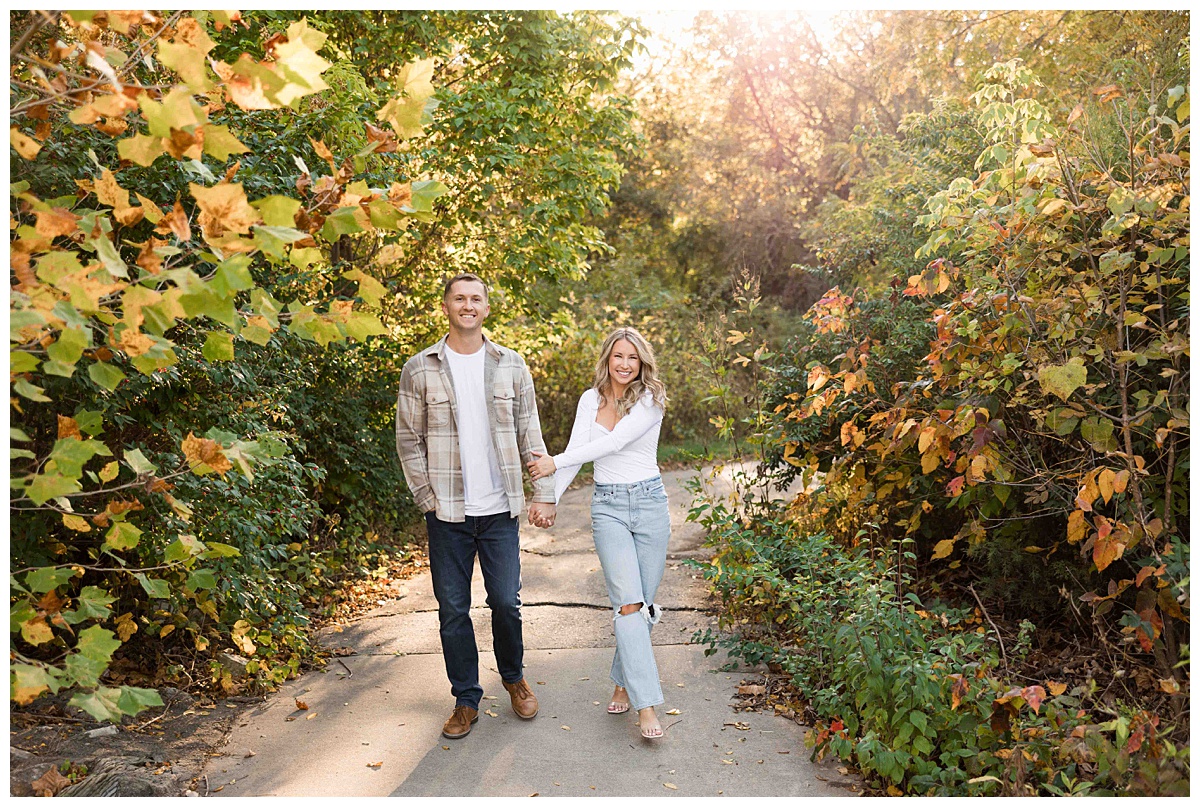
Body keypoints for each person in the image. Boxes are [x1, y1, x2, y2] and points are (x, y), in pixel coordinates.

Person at [395, 273, 557, 740]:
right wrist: (426, 498)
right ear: (445, 305)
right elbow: (408, 440)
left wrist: (542, 493)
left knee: (506, 602)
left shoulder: (511, 364)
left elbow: (531, 432)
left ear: (487, 307)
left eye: (476, 299)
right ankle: (465, 698)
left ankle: (513, 677)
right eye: (459, 298)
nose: (468, 305)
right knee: (452, 610)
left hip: (499, 509)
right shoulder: (420, 367)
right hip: (447, 513)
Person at [527, 327, 671, 740]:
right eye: (618, 357)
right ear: (607, 359)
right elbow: (577, 452)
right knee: (628, 604)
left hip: (649, 505)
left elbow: (613, 445)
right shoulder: (589, 400)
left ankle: (623, 681)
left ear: (642, 363)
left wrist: (553, 462)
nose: (625, 365)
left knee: (642, 607)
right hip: (608, 506)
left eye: (633, 358)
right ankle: (647, 706)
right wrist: (548, 498)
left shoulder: (649, 400)